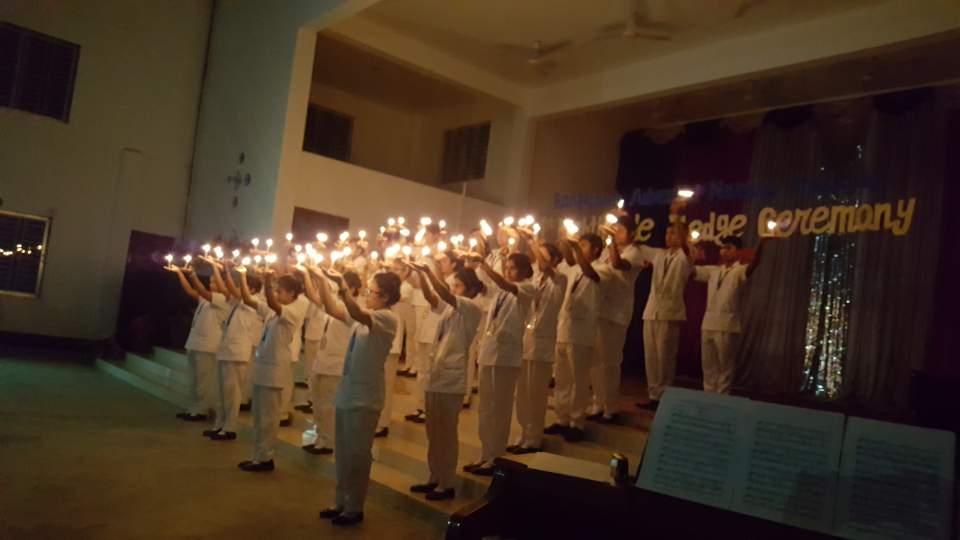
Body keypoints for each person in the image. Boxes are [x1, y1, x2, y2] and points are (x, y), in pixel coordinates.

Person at [314, 268, 401, 527]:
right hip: (348, 392)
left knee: (358, 454)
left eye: (372, 292)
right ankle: (340, 501)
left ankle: (354, 507)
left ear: (385, 297)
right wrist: (321, 280)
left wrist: (342, 285)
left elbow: (357, 313)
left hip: (365, 397)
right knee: (342, 452)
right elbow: (333, 309)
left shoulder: (387, 318)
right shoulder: (364, 319)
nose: (367, 295)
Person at [407, 263, 485, 500]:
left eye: (458, 285)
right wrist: (420, 274)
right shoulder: (450, 309)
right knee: (433, 431)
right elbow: (432, 297)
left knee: (447, 433)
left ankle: (447, 483)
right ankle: (434, 476)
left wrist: (429, 272)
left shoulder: (471, 307)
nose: (454, 289)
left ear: (471, 289)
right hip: (437, 376)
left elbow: (443, 294)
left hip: (452, 379)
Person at [464, 251, 536, 476]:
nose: (508, 271)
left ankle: (496, 457)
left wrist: (484, 264)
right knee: (485, 408)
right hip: (489, 352)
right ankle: (485, 454)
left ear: (524, 270)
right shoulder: (500, 293)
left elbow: (505, 284)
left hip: (506, 356)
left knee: (500, 409)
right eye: (507, 267)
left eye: (513, 268)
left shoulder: (527, 288)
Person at [236, 268, 306, 472]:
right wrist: (242, 275)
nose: (276, 294)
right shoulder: (272, 313)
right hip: (263, 368)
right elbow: (248, 300)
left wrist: (267, 282)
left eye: (280, 291)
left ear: (291, 293)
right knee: (259, 416)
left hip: (274, 371)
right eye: (275, 290)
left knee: (268, 417)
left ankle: (266, 457)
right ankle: (258, 455)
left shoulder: (292, 312)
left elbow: (272, 302)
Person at [546, 233, 607, 443]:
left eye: (584, 245)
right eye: (579, 245)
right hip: (564, 329)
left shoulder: (603, 268)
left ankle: (577, 422)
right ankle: (561, 418)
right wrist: (565, 243)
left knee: (579, 380)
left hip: (582, 333)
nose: (579, 248)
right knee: (562, 379)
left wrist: (576, 249)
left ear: (596, 249)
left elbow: (591, 273)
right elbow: (570, 260)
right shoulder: (573, 269)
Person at [589, 215, 650, 424]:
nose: (616, 233)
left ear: (631, 233)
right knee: (595, 360)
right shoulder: (607, 250)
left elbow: (618, 264)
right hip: (600, 309)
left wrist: (612, 242)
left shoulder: (635, 252)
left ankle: (611, 407)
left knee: (610, 361)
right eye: (615, 229)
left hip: (617, 313)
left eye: (620, 230)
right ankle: (598, 403)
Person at [510, 235, 566, 454]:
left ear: (555, 260)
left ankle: (533, 438)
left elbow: (549, 269)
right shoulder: (534, 280)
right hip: (525, 341)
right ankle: (523, 434)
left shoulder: (559, 279)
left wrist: (534, 244)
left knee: (536, 395)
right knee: (522, 394)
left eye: (543, 256)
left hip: (542, 345)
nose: (538, 260)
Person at [636, 201, 694, 410]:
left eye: (674, 233)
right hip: (651, 311)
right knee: (651, 356)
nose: (669, 237)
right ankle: (653, 395)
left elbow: (685, 245)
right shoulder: (659, 254)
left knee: (665, 357)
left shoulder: (687, 254)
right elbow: (637, 246)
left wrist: (677, 216)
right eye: (668, 233)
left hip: (670, 312)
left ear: (683, 236)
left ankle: (665, 397)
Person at [691, 235, 766, 394]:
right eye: (723, 248)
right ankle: (708, 397)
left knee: (725, 366)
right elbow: (690, 271)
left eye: (729, 248)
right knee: (708, 365)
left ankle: (721, 398)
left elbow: (754, 265)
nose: (724, 251)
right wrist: (690, 252)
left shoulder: (739, 270)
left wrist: (761, 243)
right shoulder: (713, 270)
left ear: (738, 252)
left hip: (727, 325)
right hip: (708, 323)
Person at [299, 270, 362, 454]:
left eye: (341, 285)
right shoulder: (336, 304)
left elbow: (329, 306)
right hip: (322, 359)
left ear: (352, 289)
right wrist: (310, 275)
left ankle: (329, 441)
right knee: (318, 403)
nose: (337, 289)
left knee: (328, 405)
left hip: (336, 363)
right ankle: (320, 437)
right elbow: (316, 298)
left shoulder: (354, 309)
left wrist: (321, 279)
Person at [165, 259, 230, 422]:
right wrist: (180, 273)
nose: (212, 284)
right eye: (211, 281)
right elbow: (190, 291)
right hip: (195, 342)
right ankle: (192, 408)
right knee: (193, 379)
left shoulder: (223, 299)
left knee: (203, 380)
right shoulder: (206, 298)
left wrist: (193, 274)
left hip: (208, 346)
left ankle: (201, 410)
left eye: (215, 281)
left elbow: (201, 290)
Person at [206, 258, 263, 440]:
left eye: (241, 286)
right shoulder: (237, 302)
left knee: (232, 391)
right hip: (226, 349)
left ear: (251, 289)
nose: (236, 289)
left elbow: (230, 289)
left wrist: (235, 272)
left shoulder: (253, 301)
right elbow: (226, 288)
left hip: (238, 352)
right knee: (222, 390)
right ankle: (219, 424)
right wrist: (221, 269)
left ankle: (229, 427)